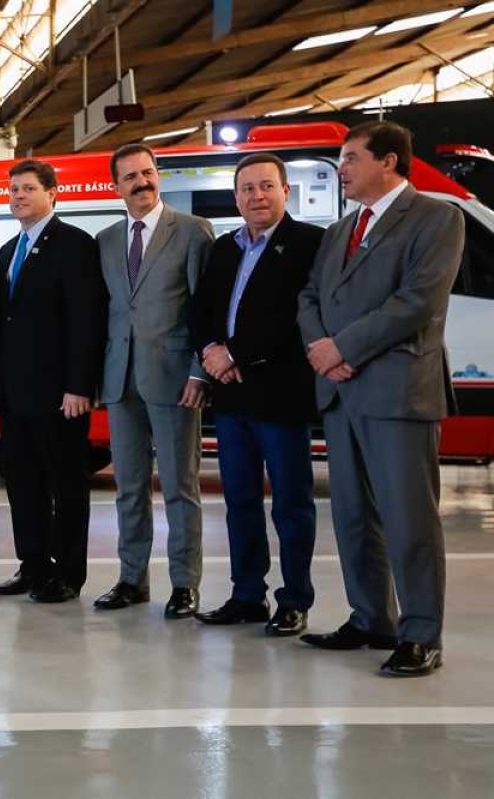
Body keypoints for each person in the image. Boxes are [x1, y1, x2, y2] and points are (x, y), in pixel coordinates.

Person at [297, 121, 463, 677]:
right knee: (352, 515)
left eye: (349, 158)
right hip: (342, 392)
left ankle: (421, 633)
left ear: (388, 162)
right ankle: (371, 618)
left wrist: (342, 347)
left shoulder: (437, 218)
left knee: (408, 517)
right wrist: (323, 351)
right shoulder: (340, 228)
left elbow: (417, 301)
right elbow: (311, 295)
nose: (340, 168)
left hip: (396, 390)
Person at [190, 153, 323, 636]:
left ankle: (294, 599)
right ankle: (247, 595)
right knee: (239, 500)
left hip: (280, 394)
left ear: (286, 191)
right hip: (230, 399)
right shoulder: (225, 248)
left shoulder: (310, 244)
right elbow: (202, 308)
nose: (256, 196)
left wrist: (235, 355)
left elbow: (296, 317)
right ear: (236, 197)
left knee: (291, 502)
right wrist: (208, 350)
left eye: (266, 186)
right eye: (247, 189)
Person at [92, 143, 214, 620]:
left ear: (157, 175)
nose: (141, 183)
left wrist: (199, 371)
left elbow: (205, 307)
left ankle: (185, 584)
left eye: (147, 173)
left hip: (175, 380)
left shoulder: (190, 232)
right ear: (116, 185)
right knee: (129, 486)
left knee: (181, 487)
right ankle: (131, 578)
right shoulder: (105, 240)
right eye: (130, 177)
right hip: (121, 381)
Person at [0, 159, 104, 603]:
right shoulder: (7, 251)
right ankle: (33, 565)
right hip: (15, 394)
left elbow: (85, 319)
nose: (17, 196)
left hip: (60, 394)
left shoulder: (75, 245)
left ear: (52, 194)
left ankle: (68, 573)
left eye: (27, 189)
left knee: (67, 485)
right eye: (13, 190)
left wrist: (79, 385)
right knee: (23, 484)